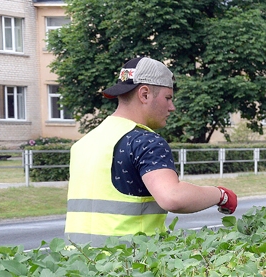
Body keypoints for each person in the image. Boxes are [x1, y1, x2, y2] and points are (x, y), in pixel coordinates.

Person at [65, 56, 238, 245]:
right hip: (128, 266)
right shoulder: (144, 141)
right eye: (168, 98)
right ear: (144, 94)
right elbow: (172, 197)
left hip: (78, 266)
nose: (172, 107)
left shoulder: (84, 144)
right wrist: (220, 194)